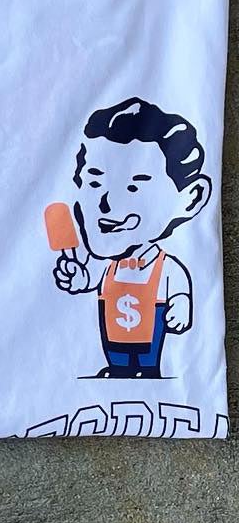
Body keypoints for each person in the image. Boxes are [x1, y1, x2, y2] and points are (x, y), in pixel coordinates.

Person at [52, 96, 211, 379]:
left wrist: (181, 304)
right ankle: (119, 369)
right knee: (118, 360)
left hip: (151, 335)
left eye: (133, 187)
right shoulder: (105, 263)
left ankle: (147, 372)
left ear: (191, 198)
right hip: (115, 336)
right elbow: (89, 279)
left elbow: (179, 290)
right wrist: (78, 278)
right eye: (95, 181)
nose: (107, 203)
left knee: (148, 363)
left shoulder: (166, 267)